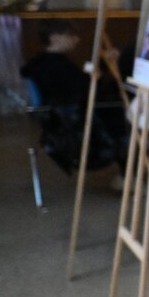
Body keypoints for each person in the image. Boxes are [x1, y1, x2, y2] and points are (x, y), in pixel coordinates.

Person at [21, 19, 127, 178]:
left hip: (60, 122)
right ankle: (128, 175)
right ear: (55, 38)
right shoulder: (58, 66)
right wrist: (101, 71)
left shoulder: (39, 64)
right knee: (126, 115)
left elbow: (79, 87)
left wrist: (99, 69)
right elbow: (85, 92)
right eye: (71, 35)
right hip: (75, 126)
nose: (77, 39)